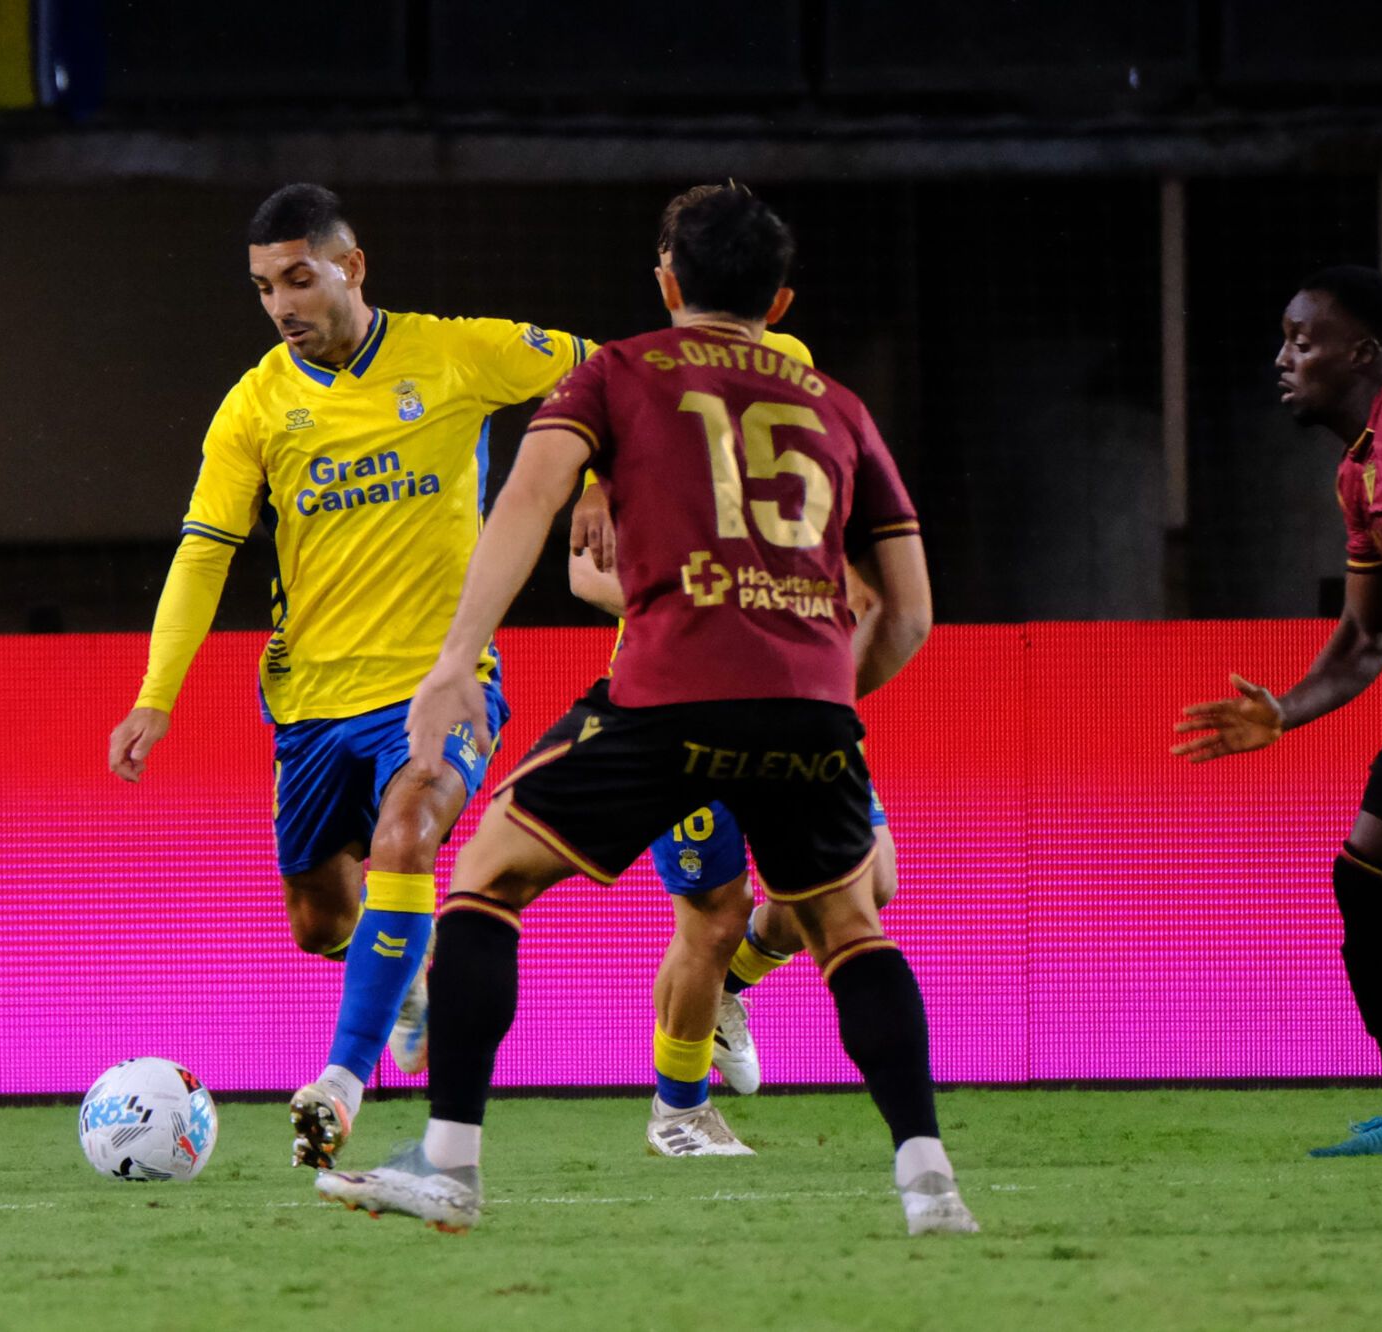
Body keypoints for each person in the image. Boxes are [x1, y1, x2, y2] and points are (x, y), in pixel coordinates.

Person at [317, 182, 975, 1236]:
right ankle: (927, 1178)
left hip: (666, 692)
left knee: (484, 879)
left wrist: (452, 661)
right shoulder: (839, 407)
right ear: (781, 297)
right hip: (809, 704)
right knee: (851, 926)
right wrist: (818, 694)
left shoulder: (613, 372)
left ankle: (449, 1165)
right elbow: (908, 615)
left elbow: (524, 504)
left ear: (665, 279)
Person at [107, 182, 591, 1170]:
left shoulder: (456, 352)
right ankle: (399, 977)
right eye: (261, 288)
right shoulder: (255, 404)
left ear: (350, 266)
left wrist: (611, 479)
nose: (280, 304)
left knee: (408, 831)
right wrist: (156, 694)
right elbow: (204, 552)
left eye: (297, 278)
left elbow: (609, 376)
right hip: (309, 704)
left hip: (437, 685)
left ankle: (339, 1081)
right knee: (318, 920)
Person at [1173, 265, 1382, 1163]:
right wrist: (1287, 711)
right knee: (1368, 873)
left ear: (1364, 354)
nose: (1283, 358)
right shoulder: (1360, 474)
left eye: (1305, 341)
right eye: (1285, 339)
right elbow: (1370, 639)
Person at [569, 479, 900, 1156]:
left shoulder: (798, 433)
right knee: (712, 920)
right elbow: (584, 574)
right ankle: (679, 1112)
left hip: (798, 699)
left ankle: (730, 987)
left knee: (869, 883)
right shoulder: (642, 433)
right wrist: (702, 606)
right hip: (681, 706)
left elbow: (863, 588)